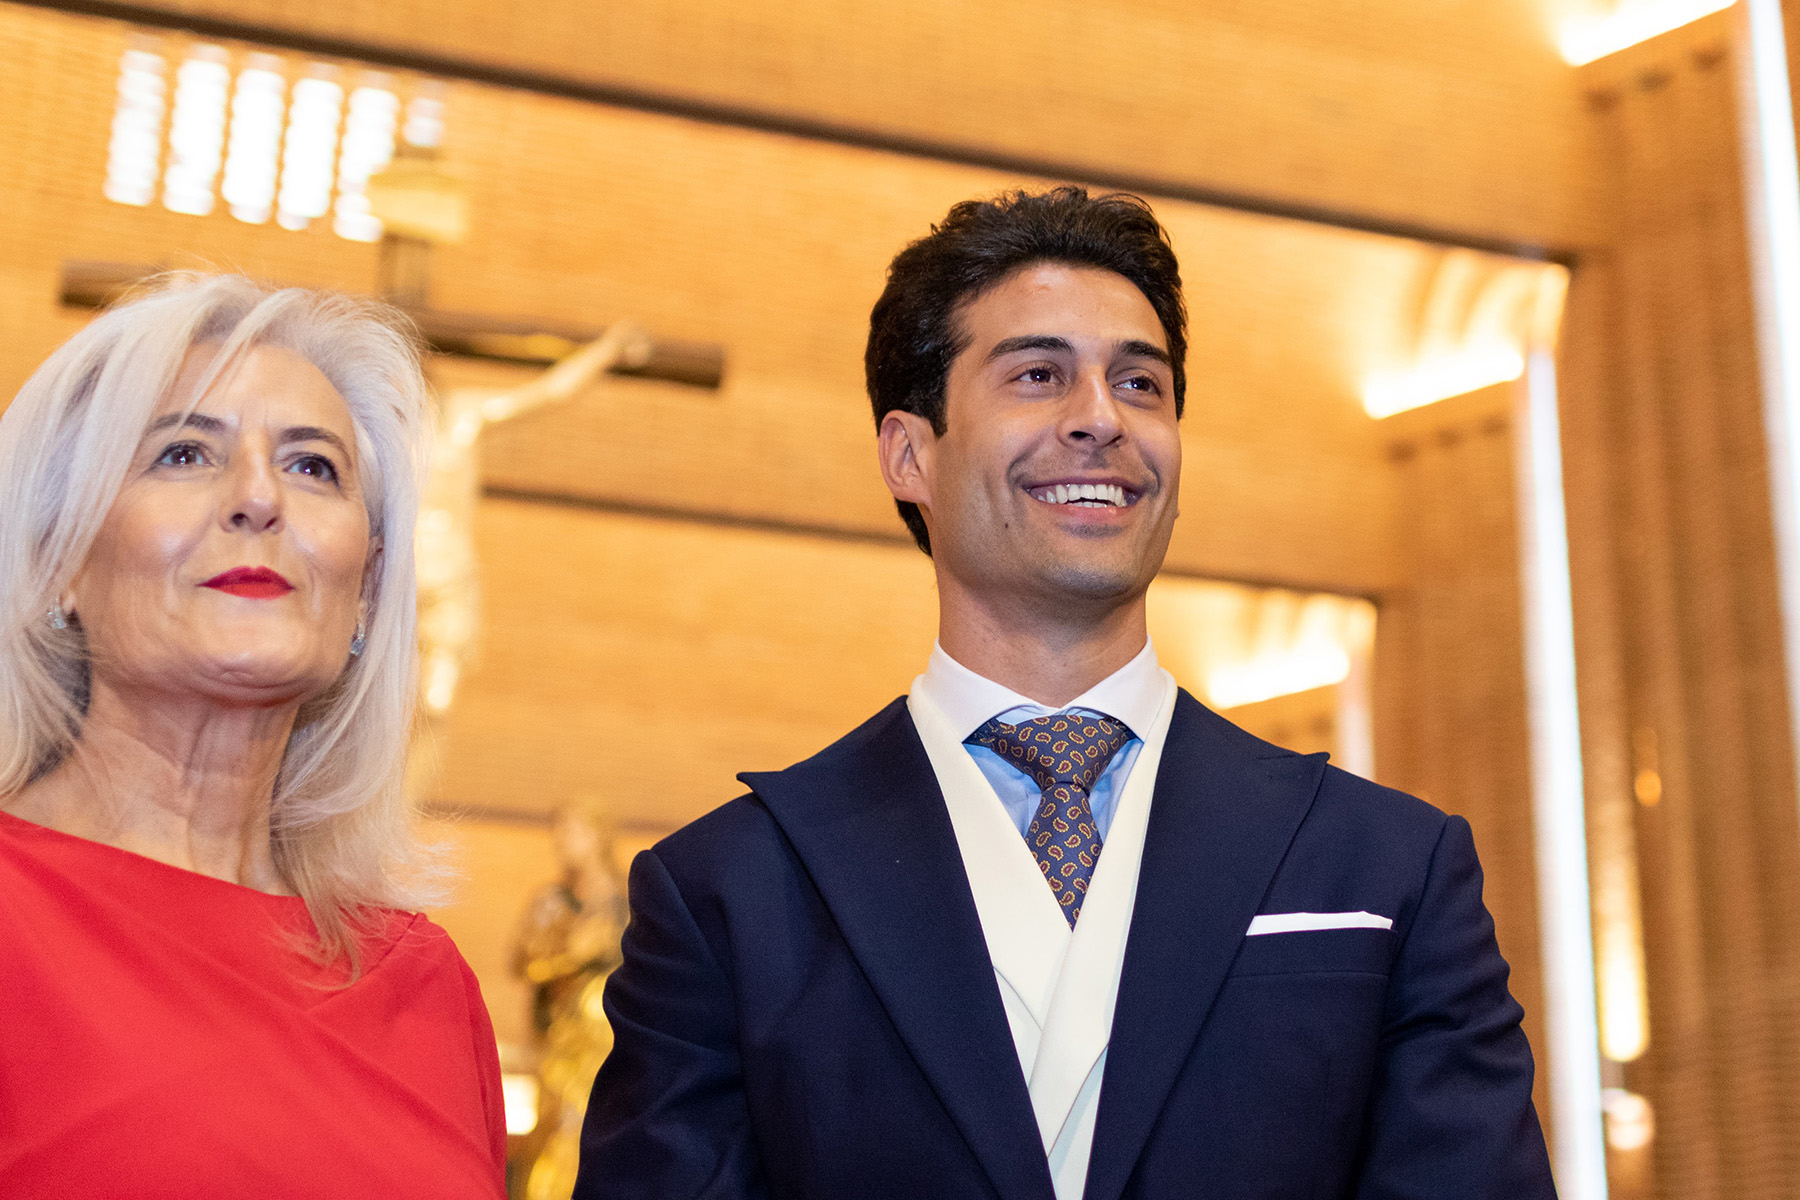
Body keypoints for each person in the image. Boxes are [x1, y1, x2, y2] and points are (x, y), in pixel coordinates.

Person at [574, 187, 1557, 1200]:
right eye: (1039, 375)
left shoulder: (1388, 867)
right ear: (911, 453)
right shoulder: (730, 894)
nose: (1100, 420)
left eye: (1141, 383)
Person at [0, 275, 506, 1198]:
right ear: (59, 558)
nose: (258, 499)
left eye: (313, 466)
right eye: (186, 453)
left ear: (365, 588)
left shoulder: (429, 985)